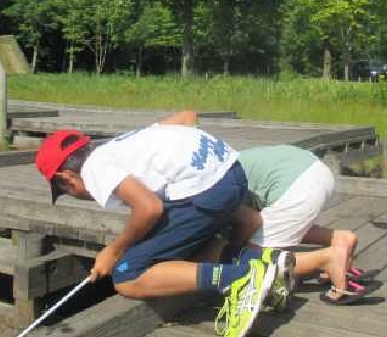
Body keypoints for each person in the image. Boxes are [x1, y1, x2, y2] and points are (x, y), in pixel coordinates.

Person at [34, 112, 295, 337]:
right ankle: (267, 262)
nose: (79, 196)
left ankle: (242, 278)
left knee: (128, 274)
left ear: (66, 177)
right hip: (234, 173)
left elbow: (149, 209)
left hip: (208, 190)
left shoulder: (93, 169)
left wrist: (114, 250)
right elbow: (187, 115)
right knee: (180, 249)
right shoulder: (119, 146)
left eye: (68, 192)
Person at [230, 144, 369, 306]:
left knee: (253, 260)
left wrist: (234, 249)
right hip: (316, 170)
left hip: (295, 187)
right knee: (282, 224)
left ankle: (328, 260)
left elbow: (251, 220)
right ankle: (340, 239)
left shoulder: (215, 188)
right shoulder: (226, 162)